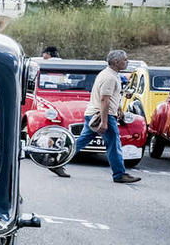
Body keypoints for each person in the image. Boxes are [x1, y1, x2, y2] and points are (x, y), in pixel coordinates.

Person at [57, 48, 141, 183]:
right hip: (101, 115)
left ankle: (57, 162)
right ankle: (119, 174)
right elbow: (104, 99)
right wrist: (104, 121)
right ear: (115, 61)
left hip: (93, 114)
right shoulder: (109, 77)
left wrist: (118, 107)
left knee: (80, 142)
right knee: (114, 144)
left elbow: (111, 97)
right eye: (125, 59)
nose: (127, 61)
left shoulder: (110, 74)